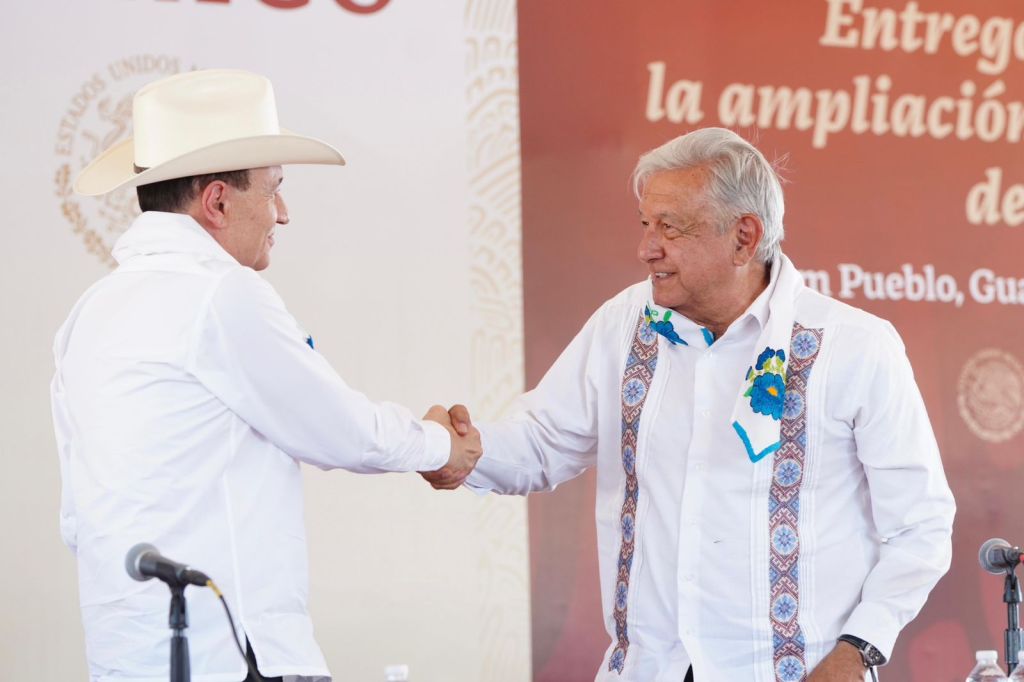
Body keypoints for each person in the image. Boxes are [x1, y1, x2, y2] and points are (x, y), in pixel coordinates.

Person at [426, 127, 956, 681]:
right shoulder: (624, 324)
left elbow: (920, 524)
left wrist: (857, 650)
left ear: (744, 237)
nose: (646, 248)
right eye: (645, 225)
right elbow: (542, 442)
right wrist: (462, 449)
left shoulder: (855, 346)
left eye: (670, 228)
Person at [51, 69, 480, 681]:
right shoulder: (220, 295)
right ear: (218, 201)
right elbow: (340, 429)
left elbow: (77, 520)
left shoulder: (86, 316)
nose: (283, 213)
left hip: (124, 657)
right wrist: (439, 444)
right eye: (273, 189)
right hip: (230, 652)